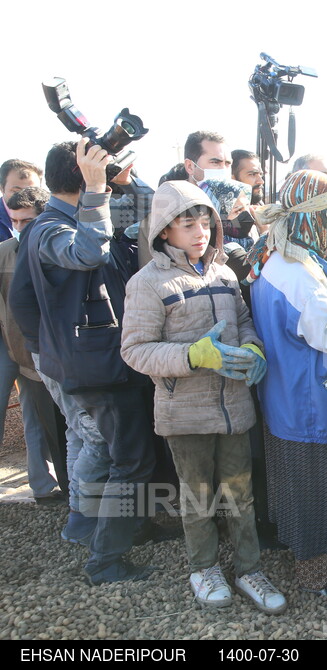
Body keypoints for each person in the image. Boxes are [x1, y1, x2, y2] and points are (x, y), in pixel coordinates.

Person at [120, 180, 285, 613]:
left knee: (240, 494)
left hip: (233, 407)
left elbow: (244, 319)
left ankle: (249, 568)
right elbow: (134, 350)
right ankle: (204, 567)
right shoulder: (147, 283)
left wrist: (253, 348)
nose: (199, 232)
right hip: (184, 412)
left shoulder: (225, 273)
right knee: (197, 498)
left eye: (205, 221)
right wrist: (192, 355)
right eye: (186, 223)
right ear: (164, 231)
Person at [10, 139, 160, 584]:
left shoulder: (85, 217)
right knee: (128, 462)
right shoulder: (50, 229)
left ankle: (118, 537)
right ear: (81, 176)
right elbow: (87, 254)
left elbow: (152, 219)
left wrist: (125, 184)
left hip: (107, 363)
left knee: (128, 458)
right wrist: (58, 354)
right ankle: (105, 559)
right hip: (99, 369)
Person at [245, 169, 327, 597]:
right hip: (311, 403)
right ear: (312, 218)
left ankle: (317, 563)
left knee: (299, 489)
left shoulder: (275, 255)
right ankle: (316, 579)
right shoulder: (299, 276)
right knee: (315, 495)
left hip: (286, 399)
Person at [0, 186, 65, 503]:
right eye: (15, 221)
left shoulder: (58, 248)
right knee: (42, 427)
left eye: (27, 221)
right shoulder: (4, 253)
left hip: (64, 356)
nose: (20, 228)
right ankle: (53, 489)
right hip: (25, 358)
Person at [0, 159, 43, 242]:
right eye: (16, 191)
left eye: (31, 191)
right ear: (2, 188)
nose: (24, 196)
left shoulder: (51, 217)